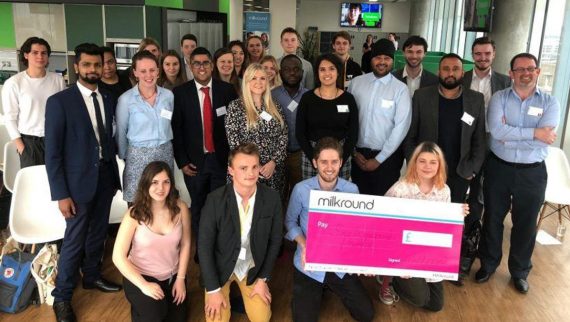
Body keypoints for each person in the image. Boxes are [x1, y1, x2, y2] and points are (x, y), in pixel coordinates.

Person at [45, 43, 122, 322]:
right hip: (76, 184)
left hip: (105, 176)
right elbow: (52, 154)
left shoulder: (109, 97)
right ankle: (62, 297)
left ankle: (91, 276)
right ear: (77, 66)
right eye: (87, 65)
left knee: (98, 232)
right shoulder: (59, 102)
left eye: (97, 65)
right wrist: (61, 194)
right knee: (74, 239)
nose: (93, 70)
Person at [476, 53, 560, 294]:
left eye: (530, 68)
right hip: (499, 168)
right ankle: (488, 264)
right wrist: (534, 133)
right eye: (520, 69)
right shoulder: (499, 99)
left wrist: (510, 135)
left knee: (525, 224)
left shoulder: (550, 102)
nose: (526, 73)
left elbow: (544, 139)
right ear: (511, 73)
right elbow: (497, 131)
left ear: (538, 71)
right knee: (492, 218)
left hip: (532, 173)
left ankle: (520, 272)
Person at [403, 53, 486, 285]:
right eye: (446, 69)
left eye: (456, 69)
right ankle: (417, 261)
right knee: (422, 219)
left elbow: (480, 141)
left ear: (462, 73)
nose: (451, 73)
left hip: (459, 173)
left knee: (452, 222)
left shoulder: (476, 100)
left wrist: (471, 170)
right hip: (426, 172)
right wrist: (415, 166)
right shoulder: (422, 96)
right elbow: (411, 136)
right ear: (439, 72)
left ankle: (444, 266)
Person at [285, 137, 374, 322]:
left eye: (334, 162)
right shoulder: (301, 190)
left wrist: (363, 260)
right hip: (309, 264)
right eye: (324, 162)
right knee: (303, 319)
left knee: (366, 314)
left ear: (341, 163)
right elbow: (290, 222)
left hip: (339, 263)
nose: (329, 167)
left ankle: (329, 286)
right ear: (315, 163)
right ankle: (311, 292)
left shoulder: (352, 190)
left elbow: (358, 229)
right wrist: (304, 244)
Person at [198, 143, 283, 322]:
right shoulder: (214, 200)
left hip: (252, 269)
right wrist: (213, 290)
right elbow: (204, 247)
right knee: (216, 319)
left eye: (254, 167)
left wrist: (263, 279)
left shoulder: (272, 198)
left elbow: (275, 241)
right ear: (230, 170)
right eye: (243, 168)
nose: (250, 173)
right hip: (220, 269)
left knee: (262, 318)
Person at [172, 47, 238, 262]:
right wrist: (182, 161)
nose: (201, 67)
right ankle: (202, 250)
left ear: (212, 65)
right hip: (194, 163)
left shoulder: (227, 90)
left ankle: (218, 249)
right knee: (198, 207)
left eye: (206, 63)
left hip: (221, 160)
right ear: (191, 67)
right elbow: (177, 130)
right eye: (197, 63)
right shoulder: (180, 93)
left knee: (220, 208)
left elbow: (234, 127)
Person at [381, 142, 455, 311]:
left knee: (436, 305)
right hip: (402, 251)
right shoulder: (401, 188)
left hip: (428, 251)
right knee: (420, 299)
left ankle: (413, 280)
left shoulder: (445, 191)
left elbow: (446, 227)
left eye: (433, 162)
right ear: (414, 163)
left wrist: (458, 215)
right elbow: (382, 220)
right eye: (422, 161)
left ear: (440, 165)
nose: (427, 166)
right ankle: (389, 279)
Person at [113, 161, 190, 322]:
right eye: (154, 182)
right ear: (146, 184)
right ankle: (140, 306)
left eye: (166, 182)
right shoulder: (133, 214)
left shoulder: (181, 208)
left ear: (171, 184)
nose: (160, 188)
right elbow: (118, 257)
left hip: (172, 276)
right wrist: (144, 286)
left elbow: (186, 244)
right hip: (141, 276)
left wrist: (181, 279)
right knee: (156, 315)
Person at [461, 36, 511, 278]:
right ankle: (465, 249)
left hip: (496, 148)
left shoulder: (505, 82)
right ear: (472, 54)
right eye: (478, 53)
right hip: (465, 146)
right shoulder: (461, 78)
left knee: (491, 202)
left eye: (487, 54)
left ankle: (487, 259)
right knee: (467, 201)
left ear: (494, 54)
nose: (482, 58)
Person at [348, 38, 411, 196]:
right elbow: (348, 120)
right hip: (358, 156)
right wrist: (354, 152)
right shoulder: (356, 83)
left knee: (383, 205)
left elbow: (401, 127)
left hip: (387, 159)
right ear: (371, 58)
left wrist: (379, 159)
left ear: (393, 61)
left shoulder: (400, 89)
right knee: (358, 202)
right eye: (378, 57)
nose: (382, 62)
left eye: (387, 58)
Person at [116, 50, 175, 205]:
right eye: (143, 71)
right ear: (135, 72)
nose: (148, 75)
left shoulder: (168, 96)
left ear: (158, 71)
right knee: (138, 203)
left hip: (164, 153)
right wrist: (125, 157)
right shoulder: (126, 99)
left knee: (164, 202)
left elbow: (171, 122)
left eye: (152, 70)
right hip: (138, 156)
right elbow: (121, 132)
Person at [1, 36, 66, 168]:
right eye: (35, 53)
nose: (40, 57)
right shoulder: (14, 83)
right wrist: (21, 147)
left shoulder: (57, 80)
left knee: (56, 179)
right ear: (26, 55)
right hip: (30, 142)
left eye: (44, 53)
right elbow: (10, 118)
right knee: (34, 182)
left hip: (55, 138)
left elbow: (63, 110)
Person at [225, 63, 288, 195]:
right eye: (254, 78)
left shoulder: (274, 106)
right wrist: (254, 166)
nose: (258, 82)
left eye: (262, 78)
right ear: (247, 81)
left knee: (271, 211)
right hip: (246, 172)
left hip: (273, 172)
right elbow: (234, 141)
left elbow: (283, 136)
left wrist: (273, 162)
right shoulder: (236, 107)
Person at [296, 53, 358, 181]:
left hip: (340, 156)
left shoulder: (348, 99)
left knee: (338, 198)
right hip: (311, 155)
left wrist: (341, 159)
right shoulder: (307, 98)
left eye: (331, 68)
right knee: (311, 198)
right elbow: (300, 132)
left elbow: (353, 133)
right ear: (317, 73)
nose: (327, 73)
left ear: (338, 72)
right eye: (322, 69)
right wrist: (314, 159)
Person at [271, 55, 308, 202]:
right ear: (280, 73)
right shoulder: (271, 95)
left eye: (296, 69)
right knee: (277, 195)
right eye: (287, 69)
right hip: (276, 155)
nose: (292, 73)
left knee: (299, 196)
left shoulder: (309, 96)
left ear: (302, 72)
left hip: (300, 155)